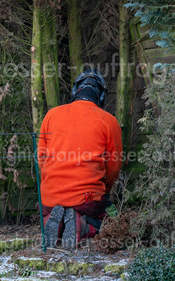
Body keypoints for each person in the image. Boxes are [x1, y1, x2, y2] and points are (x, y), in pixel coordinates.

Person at [37, 69, 123, 249]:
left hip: (50, 197)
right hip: (87, 200)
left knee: (48, 209)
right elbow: (113, 168)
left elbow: (41, 159)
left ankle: (52, 221)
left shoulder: (51, 115)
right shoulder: (109, 121)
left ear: (75, 91)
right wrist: (104, 190)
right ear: (101, 96)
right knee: (112, 219)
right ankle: (83, 227)